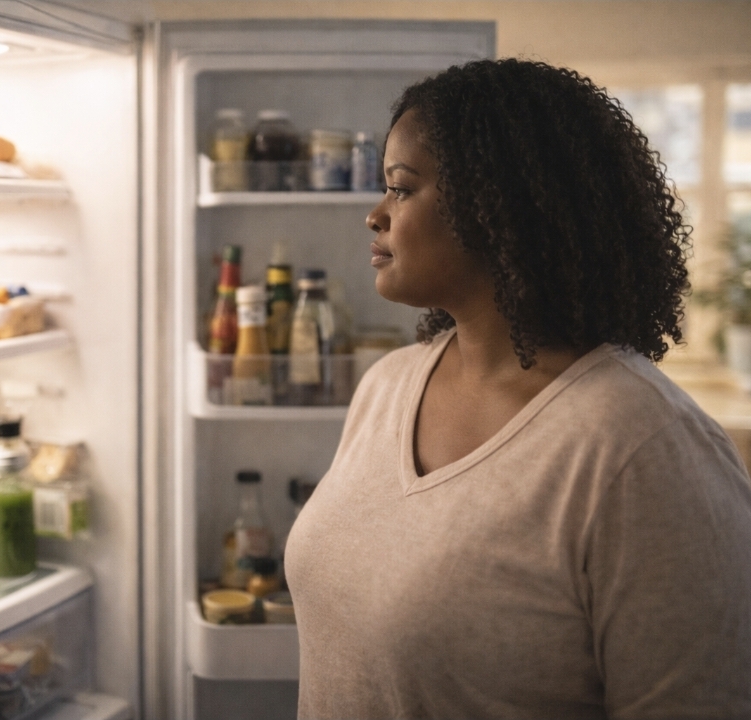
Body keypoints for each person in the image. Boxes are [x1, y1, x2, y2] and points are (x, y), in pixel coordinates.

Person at [284, 58, 751, 719]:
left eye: (401, 189)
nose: (374, 215)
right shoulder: (386, 386)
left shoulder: (639, 446)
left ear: (496, 205)